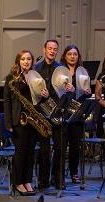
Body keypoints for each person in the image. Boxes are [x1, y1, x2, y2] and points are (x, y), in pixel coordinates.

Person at [4, 50, 38, 196]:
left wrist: (44, 94)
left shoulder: (35, 77)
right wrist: (9, 123)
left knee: (30, 153)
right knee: (20, 153)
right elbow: (7, 102)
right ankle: (18, 182)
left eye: (29, 59)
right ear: (18, 61)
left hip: (32, 120)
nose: (26, 61)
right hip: (19, 120)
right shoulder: (11, 78)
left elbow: (38, 100)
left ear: (32, 61)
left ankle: (27, 181)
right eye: (23, 59)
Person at [59, 44, 91, 184]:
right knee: (61, 145)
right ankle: (59, 175)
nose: (72, 56)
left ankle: (73, 172)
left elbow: (86, 91)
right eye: (70, 54)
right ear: (65, 56)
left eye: (75, 54)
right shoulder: (59, 71)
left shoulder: (83, 72)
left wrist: (87, 92)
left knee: (75, 146)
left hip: (78, 114)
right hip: (64, 112)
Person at [34, 39, 62, 190]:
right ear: (44, 49)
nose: (52, 51)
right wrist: (40, 94)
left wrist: (68, 87)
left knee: (59, 148)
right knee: (44, 150)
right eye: (49, 48)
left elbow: (63, 91)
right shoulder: (36, 68)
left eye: (55, 49)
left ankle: (57, 180)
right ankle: (43, 181)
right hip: (42, 112)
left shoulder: (60, 68)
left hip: (56, 111)